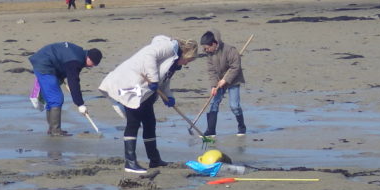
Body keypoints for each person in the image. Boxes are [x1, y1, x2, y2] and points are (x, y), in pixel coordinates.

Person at [99, 36, 198, 173]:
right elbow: (149, 54)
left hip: (144, 91)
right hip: (129, 84)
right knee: (133, 122)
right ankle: (130, 162)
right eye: (188, 60)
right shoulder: (169, 47)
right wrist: (153, 79)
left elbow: (165, 80)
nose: (186, 64)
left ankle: (154, 159)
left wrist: (168, 97)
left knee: (150, 123)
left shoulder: (174, 62)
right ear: (186, 54)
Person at [28, 42, 103, 136]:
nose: (92, 66)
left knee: (52, 99)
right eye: (93, 64)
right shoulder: (75, 61)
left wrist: (60, 74)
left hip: (47, 62)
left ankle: (52, 129)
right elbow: (73, 83)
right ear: (89, 58)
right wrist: (80, 104)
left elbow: (62, 61)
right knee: (56, 99)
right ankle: (55, 131)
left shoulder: (79, 54)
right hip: (44, 65)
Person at [200, 29, 246, 137]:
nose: (205, 50)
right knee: (213, 102)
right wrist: (213, 86)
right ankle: (211, 131)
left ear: (214, 44)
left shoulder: (230, 50)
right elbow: (211, 71)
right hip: (218, 80)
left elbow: (236, 67)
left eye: (207, 47)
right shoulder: (209, 54)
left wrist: (225, 80)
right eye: (204, 48)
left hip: (233, 80)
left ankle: (241, 127)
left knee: (234, 105)